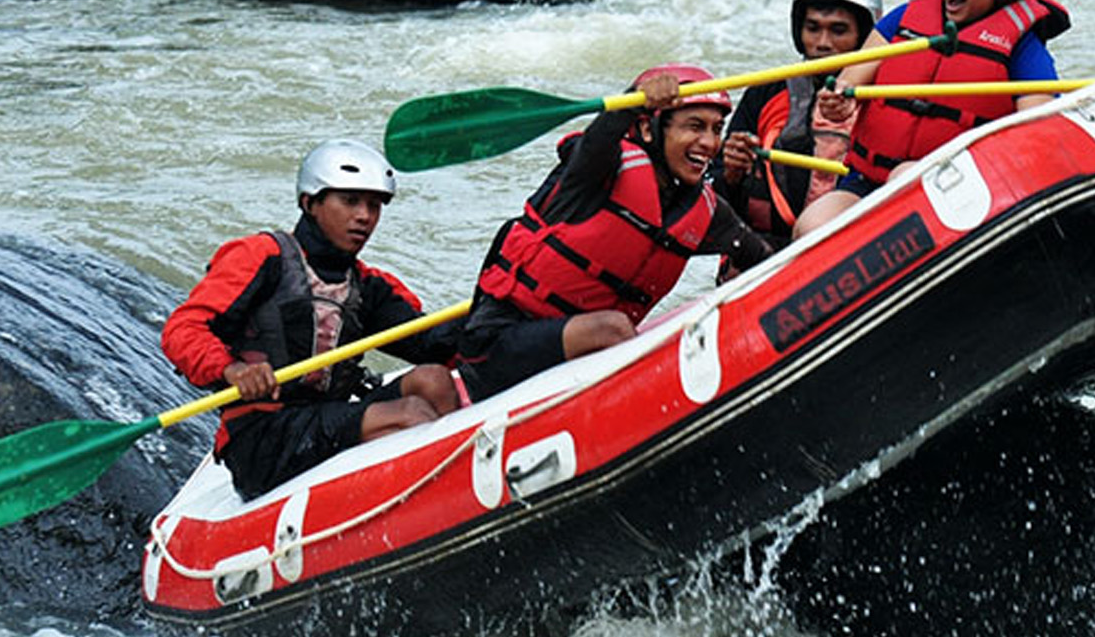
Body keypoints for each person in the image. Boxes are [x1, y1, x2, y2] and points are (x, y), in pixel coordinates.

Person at [455, 65, 778, 401]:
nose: (710, 143)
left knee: (617, 329)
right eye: (694, 127)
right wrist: (634, 100)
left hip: (578, 355)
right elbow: (601, 135)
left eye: (716, 129)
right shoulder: (595, 171)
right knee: (614, 328)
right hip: (495, 347)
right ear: (648, 129)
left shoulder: (707, 213)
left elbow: (765, 260)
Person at [161, 139, 460, 500]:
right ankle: (434, 507)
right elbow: (182, 329)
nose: (365, 216)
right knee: (411, 415)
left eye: (374, 205)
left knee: (433, 381)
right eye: (350, 201)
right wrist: (232, 370)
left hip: (326, 417)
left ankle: (454, 503)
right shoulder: (260, 257)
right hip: (262, 438)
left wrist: (499, 305)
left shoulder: (369, 284)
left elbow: (434, 344)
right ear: (310, 203)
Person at [793, 0, 1071, 237]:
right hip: (870, 179)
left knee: (907, 177)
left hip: (961, 191)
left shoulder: (1023, 47)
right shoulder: (906, 18)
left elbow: (1032, 132)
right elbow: (849, 83)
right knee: (810, 226)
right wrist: (837, 103)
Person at [713, 0, 884, 242]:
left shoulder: (889, 94)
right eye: (812, 28)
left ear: (865, 37)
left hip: (853, 244)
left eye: (838, 31)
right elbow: (717, 193)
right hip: (764, 250)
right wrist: (732, 172)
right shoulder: (765, 92)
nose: (822, 43)